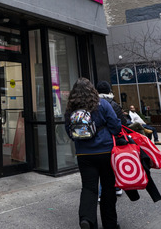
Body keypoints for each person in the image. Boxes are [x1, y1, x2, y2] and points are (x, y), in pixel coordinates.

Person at [65, 78, 121, 229]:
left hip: (84, 154)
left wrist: (80, 140)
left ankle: (87, 219)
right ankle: (110, 224)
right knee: (108, 188)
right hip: (105, 151)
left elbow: (69, 131)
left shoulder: (71, 108)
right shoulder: (102, 104)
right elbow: (115, 126)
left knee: (89, 188)